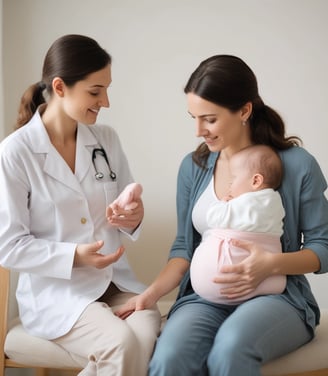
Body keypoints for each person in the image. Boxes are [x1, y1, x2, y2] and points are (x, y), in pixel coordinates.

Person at [115, 54, 328, 376]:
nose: (200, 130)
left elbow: (323, 246)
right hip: (204, 299)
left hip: (279, 298)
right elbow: (184, 248)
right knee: (169, 358)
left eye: (210, 119)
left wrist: (270, 264)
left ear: (244, 110)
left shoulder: (297, 164)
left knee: (231, 348)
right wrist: (150, 294)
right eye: (194, 118)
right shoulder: (193, 167)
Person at [0, 34, 161, 376]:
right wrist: (74, 256)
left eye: (107, 89)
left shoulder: (106, 140)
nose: (105, 101)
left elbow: (126, 208)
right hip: (59, 294)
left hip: (116, 283)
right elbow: (8, 246)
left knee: (147, 325)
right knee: (121, 343)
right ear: (60, 87)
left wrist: (132, 214)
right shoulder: (16, 152)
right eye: (95, 91)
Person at [190, 144, 286, 304]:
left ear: (256, 180)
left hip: (232, 285)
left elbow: (214, 218)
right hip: (271, 281)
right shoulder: (275, 201)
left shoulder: (245, 202)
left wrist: (222, 204)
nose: (229, 185)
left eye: (233, 178)